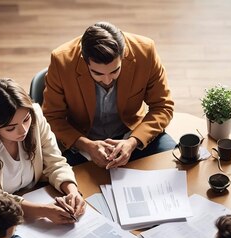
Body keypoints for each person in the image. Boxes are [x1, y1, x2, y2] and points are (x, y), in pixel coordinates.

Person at [42, 21, 176, 169]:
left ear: (123, 55)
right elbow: (52, 117)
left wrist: (132, 142)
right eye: (97, 73)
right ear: (84, 61)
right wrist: (86, 145)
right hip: (81, 140)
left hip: (132, 133)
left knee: (175, 162)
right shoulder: (61, 62)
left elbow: (163, 106)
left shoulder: (146, 51)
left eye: (114, 71)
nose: (107, 80)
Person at [0, 78, 86, 224]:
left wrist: (73, 192)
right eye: (10, 128)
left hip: (33, 195)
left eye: (26, 119)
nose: (23, 130)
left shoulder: (36, 115)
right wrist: (42, 210)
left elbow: (55, 162)